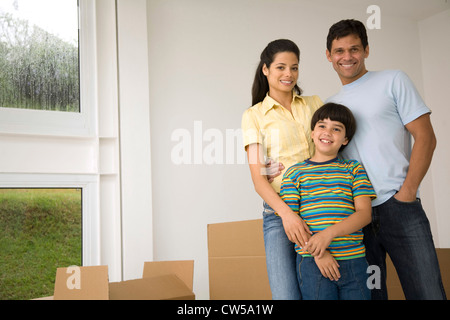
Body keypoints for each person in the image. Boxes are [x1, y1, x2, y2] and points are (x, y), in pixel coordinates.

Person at [325, 19, 446, 300]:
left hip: (399, 208)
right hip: (356, 215)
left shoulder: (394, 80)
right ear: (328, 56)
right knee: (370, 296)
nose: (347, 57)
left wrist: (407, 193)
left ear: (366, 49)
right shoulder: (329, 106)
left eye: (354, 49)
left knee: (426, 293)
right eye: (339, 50)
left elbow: (426, 138)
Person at [241, 39, 323, 299]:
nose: (289, 74)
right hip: (279, 214)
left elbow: (331, 150)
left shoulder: (314, 104)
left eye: (294, 67)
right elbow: (258, 180)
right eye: (281, 67)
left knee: (321, 291)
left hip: (320, 206)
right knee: (286, 295)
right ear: (265, 69)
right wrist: (288, 216)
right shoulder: (253, 115)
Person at [279, 103, 376, 300]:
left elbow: (364, 214)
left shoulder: (353, 169)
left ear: (345, 140)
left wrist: (328, 235)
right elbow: (292, 225)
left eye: (337, 129)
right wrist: (319, 254)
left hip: (354, 262)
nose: (328, 132)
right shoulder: (294, 173)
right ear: (313, 133)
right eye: (322, 126)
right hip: (312, 263)